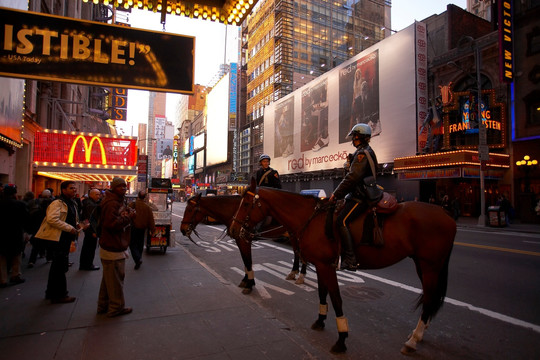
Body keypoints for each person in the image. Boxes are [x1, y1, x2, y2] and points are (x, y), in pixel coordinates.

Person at [329, 123, 377, 271]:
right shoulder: (363, 151)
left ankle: (350, 259)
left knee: (341, 220)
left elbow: (353, 177)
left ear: (360, 137)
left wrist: (336, 194)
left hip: (360, 196)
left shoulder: (362, 153)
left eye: (355, 136)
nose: (353, 139)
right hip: (358, 193)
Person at [35, 181, 88, 303]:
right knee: (59, 267)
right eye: (71, 188)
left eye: (75, 188)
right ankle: (59, 294)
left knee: (57, 267)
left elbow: (71, 219)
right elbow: (52, 219)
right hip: (58, 238)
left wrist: (78, 226)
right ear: (63, 190)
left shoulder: (71, 203)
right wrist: (69, 228)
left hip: (64, 238)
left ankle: (51, 292)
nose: (74, 190)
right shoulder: (57, 203)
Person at [98, 177, 136, 317]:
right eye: (120, 187)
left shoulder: (116, 201)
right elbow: (111, 224)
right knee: (115, 280)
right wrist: (129, 218)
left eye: (125, 187)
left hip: (113, 245)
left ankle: (103, 305)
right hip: (113, 246)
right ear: (113, 188)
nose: (124, 189)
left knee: (108, 280)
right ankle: (116, 307)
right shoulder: (112, 203)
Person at [0, 184, 28, 287]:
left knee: (2, 256)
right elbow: (25, 219)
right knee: (16, 255)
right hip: (15, 232)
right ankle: (15, 275)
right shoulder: (20, 204)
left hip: (2, 233)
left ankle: (2, 279)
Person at [128, 190, 155, 270]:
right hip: (142, 228)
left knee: (132, 244)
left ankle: (137, 259)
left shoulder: (133, 204)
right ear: (145, 197)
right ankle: (138, 258)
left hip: (134, 227)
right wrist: (152, 230)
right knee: (140, 244)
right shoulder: (147, 207)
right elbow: (151, 220)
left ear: (138, 196)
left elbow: (127, 212)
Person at [27, 189, 54, 268]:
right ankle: (49, 257)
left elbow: (32, 220)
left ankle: (32, 261)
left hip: (37, 229)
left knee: (36, 246)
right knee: (49, 244)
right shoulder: (50, 214)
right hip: (47, 229)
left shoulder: (36, 210)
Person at [79, 189, 102, 271]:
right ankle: (87, 265)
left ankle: (85, 264)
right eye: (96, 194)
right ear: (91, 195)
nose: (98, 196)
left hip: (88, 229)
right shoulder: (90, 205)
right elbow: (92, 219)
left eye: (99, 194)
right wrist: (94, 231)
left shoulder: (89, 203)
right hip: (90, 230)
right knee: (89, 248)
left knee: (87, 247)